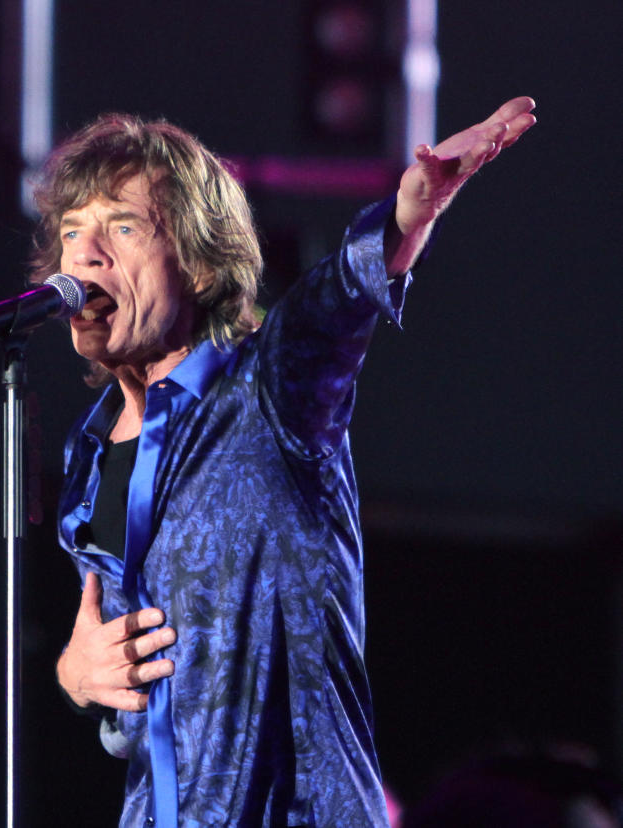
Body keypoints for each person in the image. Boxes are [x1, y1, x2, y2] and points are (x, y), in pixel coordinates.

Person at [32, 98, 537, 827]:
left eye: (122, 226)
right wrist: (78, 678)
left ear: (200, 263)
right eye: (72, 231)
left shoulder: (271, 388)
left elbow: (332, 306)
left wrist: (408, 219)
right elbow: (136, 699)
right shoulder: (88, 458)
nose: (84, 253)